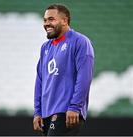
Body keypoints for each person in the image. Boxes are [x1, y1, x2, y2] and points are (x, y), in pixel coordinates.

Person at [33, 4, 94, 136]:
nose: (46, 24)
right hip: (46, 113)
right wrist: (38, 112)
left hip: (66, 112)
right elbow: (40, 80)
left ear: (64, 21)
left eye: (51, 19)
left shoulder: (80, 42)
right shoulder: (45, 47)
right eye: (45, 20)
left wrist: (74, 107)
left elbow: (84, 78)